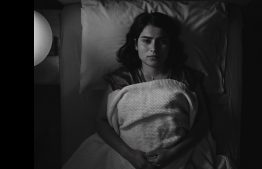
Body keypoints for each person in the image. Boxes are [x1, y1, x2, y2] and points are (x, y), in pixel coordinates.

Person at [63, 12, 235, 169]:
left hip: (178, 154)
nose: (154, 48)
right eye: (146, 40)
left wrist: (173, 153)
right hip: (128, 156)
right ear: (136, 44)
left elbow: (203, 122)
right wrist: (130, 155)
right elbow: (101, 121)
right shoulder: (120, 79)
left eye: (162, 41)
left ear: (170, 45)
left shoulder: (187, 77)